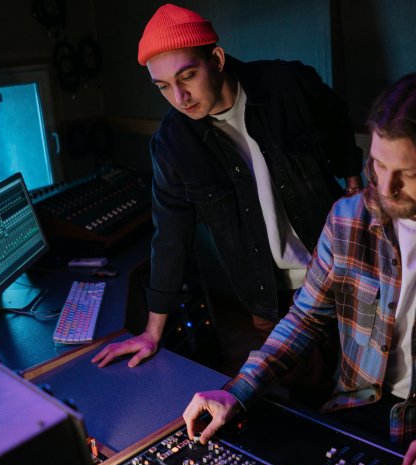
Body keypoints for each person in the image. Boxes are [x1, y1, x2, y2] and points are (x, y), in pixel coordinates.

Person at [183, 72, 416, 465]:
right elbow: (305, 318)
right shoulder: (347, 218)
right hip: (356, 409)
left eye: (407, 173)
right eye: (378, 164)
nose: (385, 188)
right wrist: (239, 389)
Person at [92, 4, 363, 406]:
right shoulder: (172, 145)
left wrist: (353, 186)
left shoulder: (288, 83)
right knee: (312, 403)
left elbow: (337, 117)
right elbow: (170, 237)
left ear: (215, 59)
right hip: (270, 300)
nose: (179, 97)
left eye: (187, 76)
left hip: (342, 274)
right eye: (163, 86)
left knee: (366, 393)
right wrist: (152, 332)